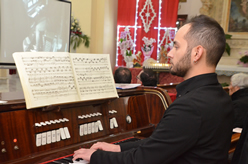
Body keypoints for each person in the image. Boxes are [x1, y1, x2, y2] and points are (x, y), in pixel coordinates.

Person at [73, 15, 234, 164]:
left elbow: (141, 160)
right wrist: (118, 148)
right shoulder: (220, 96)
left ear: (197, 53)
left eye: (176, 47)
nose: (170, 53)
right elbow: (162, 143)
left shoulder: (190, 106)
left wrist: (95, 156)